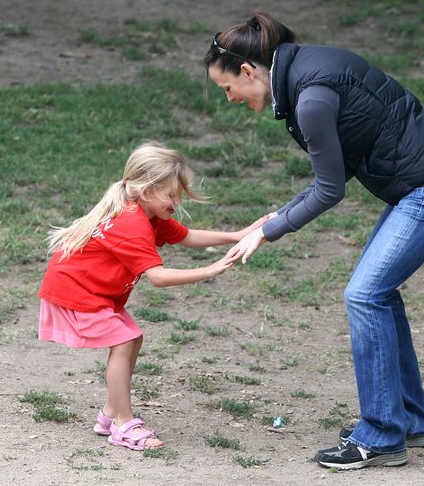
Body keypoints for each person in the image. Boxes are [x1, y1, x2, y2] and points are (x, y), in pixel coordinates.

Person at [204, 11, 424, 470]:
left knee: (365, 295)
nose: (230, 98)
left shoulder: (309, 98)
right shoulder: (308, 69)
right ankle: (410, 419)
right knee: (378, 295)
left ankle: (382, 436)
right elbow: (335, 168)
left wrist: (269, 233)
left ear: (248, 71)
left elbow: (331, 190)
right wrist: (277, 215)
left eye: (227, 88)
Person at [37, 141, 265, 451]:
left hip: (92, 289)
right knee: (125, 340)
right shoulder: (131, 223)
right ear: (146, 192)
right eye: (171, 195)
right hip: (75, 291)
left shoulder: (149, 216)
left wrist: (237, 235)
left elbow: (187, 236)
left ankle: (109, 414)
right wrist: (210, 270)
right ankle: (123, 425)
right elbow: (158, 277)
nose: (177, 201)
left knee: (132, 337)